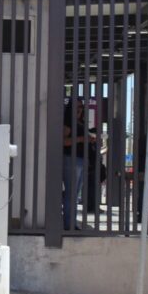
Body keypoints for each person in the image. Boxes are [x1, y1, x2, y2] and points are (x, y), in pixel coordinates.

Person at [62, 99, 95, 230]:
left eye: (81, 107)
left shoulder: (78, 122)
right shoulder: (68, 122)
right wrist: (82, 139)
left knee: (75, 194)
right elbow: (63, 141)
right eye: (76, 107)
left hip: (80, 159)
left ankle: (72, 222)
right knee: (72, 193)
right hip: (71, 159)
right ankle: (69, 223)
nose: (79, 109)